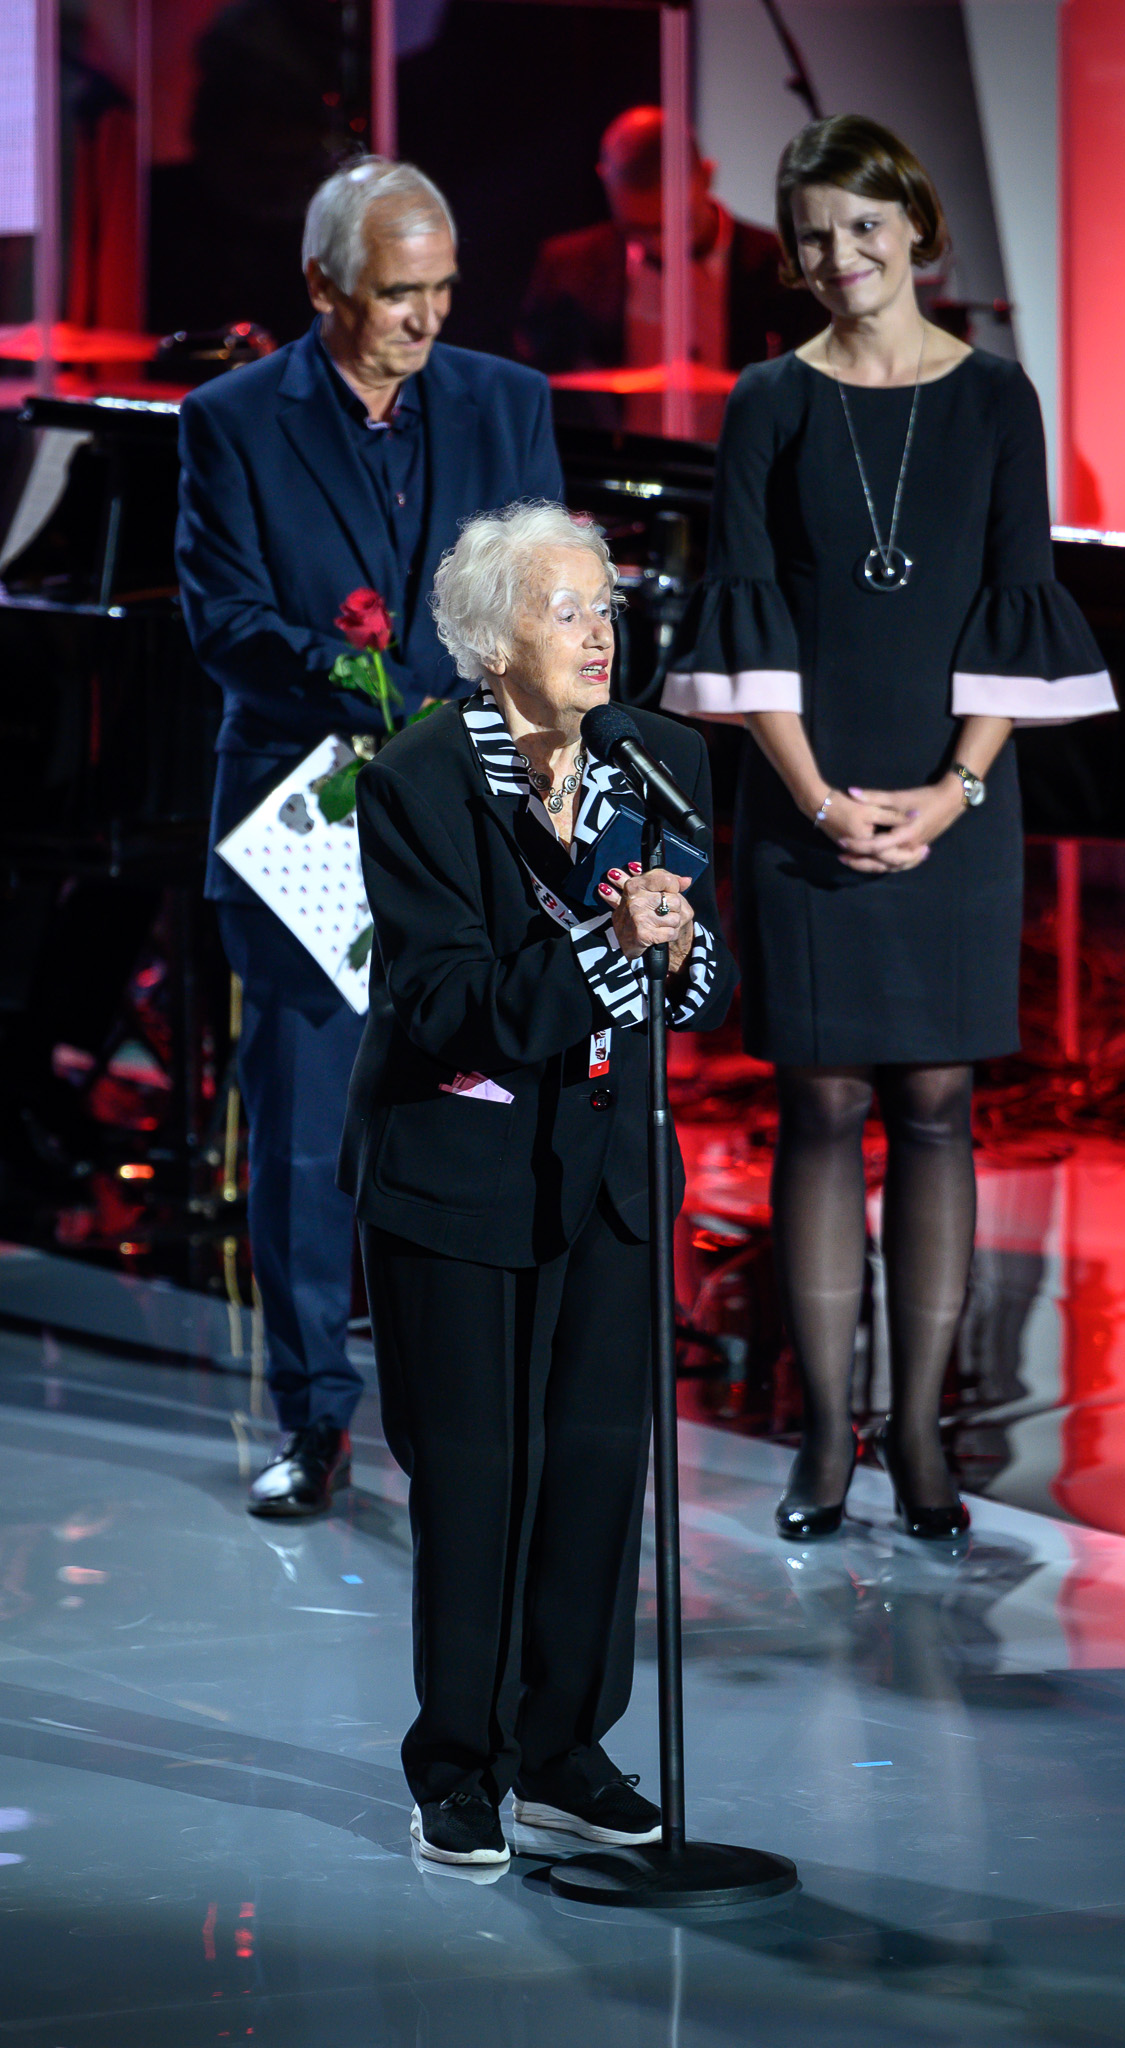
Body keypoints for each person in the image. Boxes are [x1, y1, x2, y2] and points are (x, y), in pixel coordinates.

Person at [662, 116, 1117, 1542]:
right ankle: (817, 1438)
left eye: (861, 225)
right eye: (810, 236)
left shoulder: (994, 399)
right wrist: (815, 799)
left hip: (952, 800)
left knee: (933, 1105)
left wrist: (952, 789)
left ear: (913, 228)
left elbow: (1013, 602)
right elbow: (745, 608)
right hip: (805, 797)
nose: (836, 255)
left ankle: (917, 1436)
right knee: (819, 1103)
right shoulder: (765, 401)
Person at [340, 501, 734, 1864]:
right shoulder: (417, 782)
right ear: (490, 641)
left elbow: (699, 965)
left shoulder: (659, 762)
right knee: (471, 1478)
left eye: (605, 609)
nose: (597, 633)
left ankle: (565, 1750)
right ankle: (459, 1765)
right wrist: (593, 955)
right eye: (566, 611)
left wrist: (677, 955)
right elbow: (445, 1001)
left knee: (588, 1473)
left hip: (609, 1169)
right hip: (459, 1184)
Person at [176, 157, 562, 1518]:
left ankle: (456, 1416)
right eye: (399, 294)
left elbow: (545, 601)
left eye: (444, 288)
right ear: (322, 288)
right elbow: (220, 619)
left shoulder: (508, 404)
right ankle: (311, 1418)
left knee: (470, 1122)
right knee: (299, 1138)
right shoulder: (229, 420)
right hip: (300, 819)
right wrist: (354, 684)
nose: (426, 317)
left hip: (472, 829)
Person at [516, 105, 821, 435]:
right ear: (605, 179)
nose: (661, 245)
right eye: (637, 228)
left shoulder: (784, 265)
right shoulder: (566, 266)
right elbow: (530, 387)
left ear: (707, 175)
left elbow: (815, 396)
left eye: (679, 224)